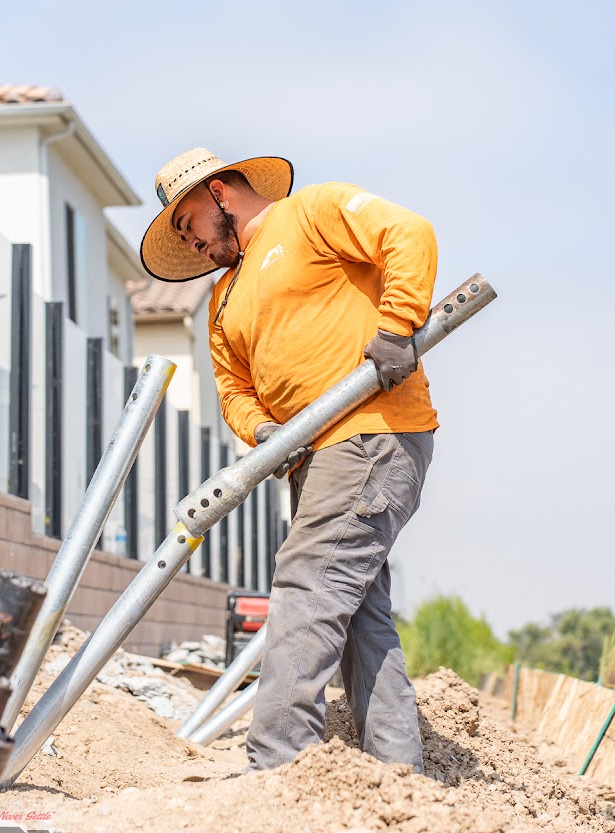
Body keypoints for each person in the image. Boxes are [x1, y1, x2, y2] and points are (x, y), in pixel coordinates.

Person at [140, 148, 438, 773]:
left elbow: (408, 233)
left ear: (220, 192)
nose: (187, 240)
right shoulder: (223, 300)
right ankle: (396, 770)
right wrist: (265, 430)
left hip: (370, 434)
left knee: (306, 585)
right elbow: (232, 390)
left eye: (185, 220)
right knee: (357, 611)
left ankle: (279, 763)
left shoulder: (312, 212)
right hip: (313, 460)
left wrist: (396, 325)